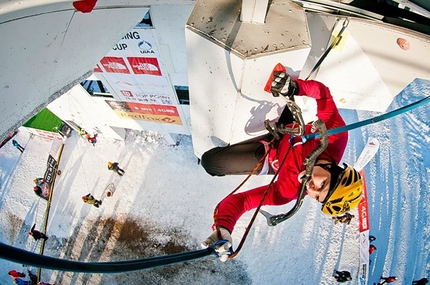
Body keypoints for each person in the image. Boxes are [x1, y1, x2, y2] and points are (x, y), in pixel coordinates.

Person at [200, 69, 364, 260]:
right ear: (333, 169)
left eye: (317, 197)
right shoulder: (336, 136)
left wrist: (224, 228)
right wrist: (296, 87)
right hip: (291, 127)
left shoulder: (287, 193)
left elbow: (242, 202)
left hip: (272, 155)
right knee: (280, 80)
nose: (311, 188)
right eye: (323, 184)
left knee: (211, 162)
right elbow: (323, 95)